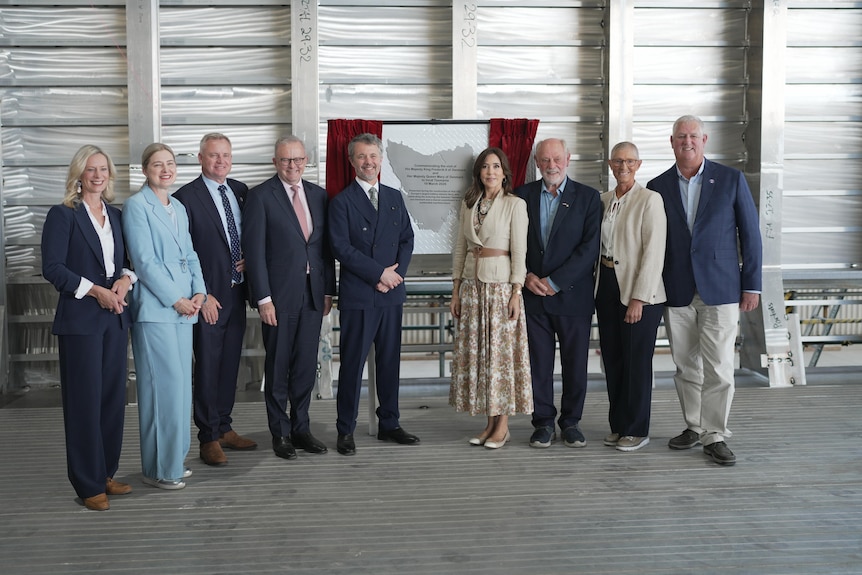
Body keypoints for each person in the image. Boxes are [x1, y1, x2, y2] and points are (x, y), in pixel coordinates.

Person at [647, 115, 762, 466]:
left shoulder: (730, 179)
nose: (687, 142)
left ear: (705, 139)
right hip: (677, 289)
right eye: (681, 136)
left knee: (720, 366)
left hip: (722, 288)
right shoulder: (657, 185)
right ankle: (694, 426)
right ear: (671, 142)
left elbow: (751, 235)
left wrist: (752, 284)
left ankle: (715, 433)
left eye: (693, 136)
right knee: (685, 366)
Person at [41, 145, 135, 510]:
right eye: (91, 169)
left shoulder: (117, 214)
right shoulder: (62, 215)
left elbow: (128, 262)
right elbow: (53, 268)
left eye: (103, 169)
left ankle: (106, 473)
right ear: (79, 175)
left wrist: (126, 281)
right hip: (81, 319)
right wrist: (94, 291)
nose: (98, 175)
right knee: (83, 401)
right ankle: (87, 483)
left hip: (115, 316)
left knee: (113, 398)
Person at [242, 135, 335, 460]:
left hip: (312, 297)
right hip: (278, 299)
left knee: (306, 368)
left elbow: (325, 251)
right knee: (278, 366)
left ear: (306, 160)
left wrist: (327, 291)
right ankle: (279, 433)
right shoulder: (260, 197)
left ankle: (301, 428)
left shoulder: (319, 196)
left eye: (297, 160)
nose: (292, 166)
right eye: (285, 160)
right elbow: (253, 254)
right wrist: (263, 298)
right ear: (275, 162)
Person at [328, 133, 418, 456]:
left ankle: (389, 424)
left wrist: (395, 276)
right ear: (352, 161)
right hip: (360, 295)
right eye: (362, 157)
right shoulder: (341, 202)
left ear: (381, 160)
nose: (369, 162)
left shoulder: (394, 197)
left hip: (391, 294)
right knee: (352, 364)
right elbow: (340, 247)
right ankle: (345, 429)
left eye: (374, 156)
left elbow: (407, 240)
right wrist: (379, 273)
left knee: (390, 361)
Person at [123, 143, 206, 489]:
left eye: (170, 164)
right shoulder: (136, 206)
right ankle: (160, 469)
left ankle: (173, 460)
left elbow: (190, 252)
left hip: (186, 308)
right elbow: (144, 261)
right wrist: (176, 299)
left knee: (181, 390)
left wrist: (199, 290)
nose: (165, 170)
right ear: (145, 170)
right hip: (158, 310)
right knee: (162, 390)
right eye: (158, 165)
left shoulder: (179, 207)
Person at [174, 133, 257, 466]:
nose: (220, 161)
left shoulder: (240, 191)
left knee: (229, 365)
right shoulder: (184, 198)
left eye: (225, 155)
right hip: (206, 298)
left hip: (237, 292)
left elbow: (251, 234)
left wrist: (250, 257)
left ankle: (224, 426)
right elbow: (182, 254)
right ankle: (207, 437)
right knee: (207, 367)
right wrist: (201, 293)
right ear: (200, 158)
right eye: (213, 156)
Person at [515, 138, 601, 448]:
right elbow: (513, 242)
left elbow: (589, 248)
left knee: (575, 364)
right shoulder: (520, 196)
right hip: (532, 295)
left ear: (568, 159)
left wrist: (555, 281)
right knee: (537, 364)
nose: (551, 165)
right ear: (536, 162)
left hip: (572, 297)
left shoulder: (589, 198)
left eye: (557, 159)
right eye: (545, 160)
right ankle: (543, 423)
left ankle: (571, 422)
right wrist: (525, 276)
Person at [449, 147, 532, 449]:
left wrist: (516, 291)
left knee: (501, 358)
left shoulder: (515, 204)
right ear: (479, 173)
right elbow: (460, 249)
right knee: (482, 357)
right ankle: (489, 422)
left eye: (496, 166)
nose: (490, 172)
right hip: (472, 288)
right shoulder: (469, 203)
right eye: (485, 167)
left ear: (504, 172)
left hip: (500, 289)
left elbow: (520, 251)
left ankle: (503, 426)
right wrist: (456, 289)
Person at [595, 142, 667, 452]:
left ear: (638, 165)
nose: (623, 166)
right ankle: (618, 425)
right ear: (610, 164)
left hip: (640, 291)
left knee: (637, 362)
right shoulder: (603, 200)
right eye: (617, 161)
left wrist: (639, 298)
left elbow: (653, 252)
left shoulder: (650, 200)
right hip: (607, 284)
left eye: (629, 161)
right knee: (613, 359)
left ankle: (637, 429)